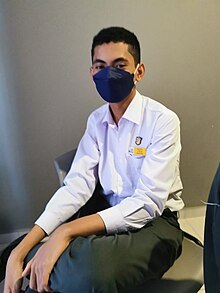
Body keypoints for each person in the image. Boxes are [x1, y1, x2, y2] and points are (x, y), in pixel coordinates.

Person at [2, 26, 184, 293]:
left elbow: (148, 203)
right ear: (92, 73)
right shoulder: (96, 121)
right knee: (12, 252)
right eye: (101, 66)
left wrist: (65, 232)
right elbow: (77, 186)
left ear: (139, 71)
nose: (109, 73)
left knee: (93, 270)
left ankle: (47, 265)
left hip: (155, 223)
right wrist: (23, 247)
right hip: (105, 210)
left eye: (119, 65)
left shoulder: (162, 121)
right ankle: (32, 261)